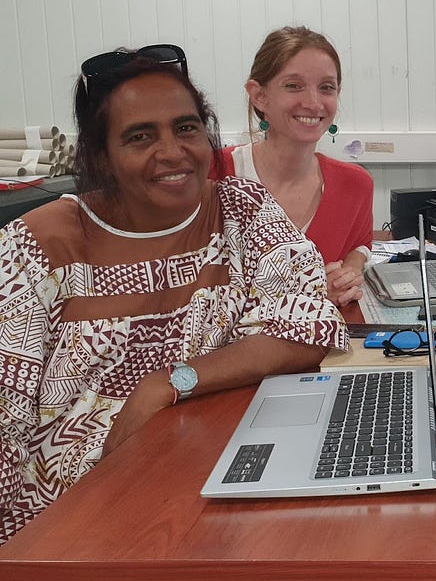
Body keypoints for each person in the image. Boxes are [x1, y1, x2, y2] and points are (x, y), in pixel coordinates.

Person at [0, 46, 348, 545]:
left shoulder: (240, 209)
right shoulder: (38, 245)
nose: (172, 151)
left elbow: (306, 327)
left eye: (185, 128)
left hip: (207, 472)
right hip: (81, 509)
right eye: (140, 136)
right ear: (101, 154)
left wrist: (168, 382)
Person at [214, 27, 373, 308]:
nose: (313, 103)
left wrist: (352, 268)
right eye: (293, 86)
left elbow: (360, 243)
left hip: (315, 348)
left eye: (326, 87)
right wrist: (309, 296)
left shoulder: (355, 185)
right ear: (259, 96)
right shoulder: (215, 174)